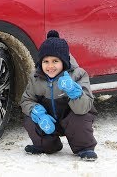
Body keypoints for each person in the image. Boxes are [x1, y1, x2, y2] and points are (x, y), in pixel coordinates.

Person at [20, 30, 98, 161]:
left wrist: (74, 91)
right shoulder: (35, 78)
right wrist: (37, 113)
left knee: (80, 117)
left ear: (64, 61)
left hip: (71, 118)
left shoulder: (78, 75)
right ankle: (48, 145)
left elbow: (83, 108)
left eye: (55, 61)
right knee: (29, 118)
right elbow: (26, 100)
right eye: (46, 61)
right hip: (49, 120)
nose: (50, 66)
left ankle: (84, 148)